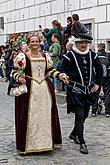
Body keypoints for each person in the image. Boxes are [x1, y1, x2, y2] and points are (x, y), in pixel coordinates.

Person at [11, 35, 67, 154]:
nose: (35, 43)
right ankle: (30, 146)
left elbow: (50, 71)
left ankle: (45, 143)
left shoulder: (45, 56)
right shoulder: (23, 57)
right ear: (29, 43)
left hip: (45, 90)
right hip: (30, 90)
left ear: (39, 42)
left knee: (45, 116)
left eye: (37, 41)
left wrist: (60, 75)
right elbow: (14, 71)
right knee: (31, 115)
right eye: (32, 42)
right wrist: (19, 78)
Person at [58, 33, 103, 154]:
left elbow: (99, 69)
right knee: (79, 115)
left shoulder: (92, 55)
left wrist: (98, 83)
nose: (83, 45)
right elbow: (61, 69)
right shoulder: (69, 56)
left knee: (85, 115)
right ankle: (82, 142)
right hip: (75, 91)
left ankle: (73, 134)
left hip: (89, 91)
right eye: (80, 42)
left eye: (85, 43)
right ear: (76, 43)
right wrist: (63, 75)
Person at [92, 43, 110, 117]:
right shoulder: (108, 56)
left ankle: (94, 111)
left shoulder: (95, 56)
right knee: (107, 94)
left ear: (98, 48)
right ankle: (108, 112)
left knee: (95, 94)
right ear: (104, 48)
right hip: (107, 77)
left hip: (97, 78)